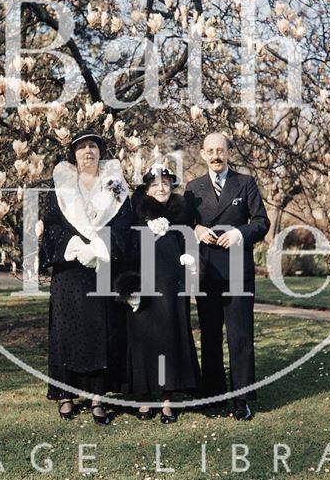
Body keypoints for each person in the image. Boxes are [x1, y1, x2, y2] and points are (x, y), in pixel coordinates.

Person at [39, 128, 134, 425]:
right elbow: (52, 225)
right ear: (74, 155)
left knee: (101, 331)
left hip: (102, 267)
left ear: (100, 152)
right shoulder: (61, 187)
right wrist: (73, 246)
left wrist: (102, 246)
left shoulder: (115, 187)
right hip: (69, 270)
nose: (87, 152)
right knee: (66, 331)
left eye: (92, 146)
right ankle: (65, 395)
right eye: (81, 148)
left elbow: (125, 223)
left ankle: (97, 398)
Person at [184, 133, 270, 421]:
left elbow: (261, 222)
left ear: (229, 153)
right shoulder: (193, 188)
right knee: (209, 336)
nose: (216, 155)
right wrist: (195, 230)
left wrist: (239, 233)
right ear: (202, 153)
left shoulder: (245, 183)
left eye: (220, 150)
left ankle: (242, 398)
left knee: (240, 336)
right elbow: (183, 224)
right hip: (206, 272)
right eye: (210, 151)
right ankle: (213, 394)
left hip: (238, 273)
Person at [115, 163, 201, 423]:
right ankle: (144, 398)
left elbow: (189, 244)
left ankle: (167, 399)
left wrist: (191, 259)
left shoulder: (182, 213)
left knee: (169, 341)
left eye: (165, 183)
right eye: (155, 184)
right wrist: (128, 287)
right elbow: (126, 253)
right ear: (147, 188)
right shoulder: (135, 215)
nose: (161, 188)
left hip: (172, 288)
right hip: (144, 287)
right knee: (143, 342)